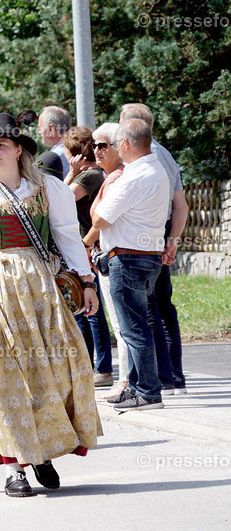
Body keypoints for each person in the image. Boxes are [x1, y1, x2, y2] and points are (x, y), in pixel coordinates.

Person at [0, 112, 101, 497]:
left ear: (18, 150)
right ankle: (14, 466)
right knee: (0, 374)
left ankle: (43, 451)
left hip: (39, 288)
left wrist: (86, 282)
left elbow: (67, 236)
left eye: (1, 145)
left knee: (51, 370)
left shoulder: (48, 188)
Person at [83, 118, 170, 412]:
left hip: (128, 257)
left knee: (133, 329)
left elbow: (100, 218)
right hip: (147, 255)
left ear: (127, 144)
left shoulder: (133, 176)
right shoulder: (156, 169)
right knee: (137, 325)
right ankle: (137, 386)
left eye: (119, 143)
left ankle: (146, 391)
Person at [119, 103, 188, 394]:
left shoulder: (145, 159)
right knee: (162, 308)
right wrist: (172, 241)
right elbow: (181, 205)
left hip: (144, 242)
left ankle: (157, 378)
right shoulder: (167, 156)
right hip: (160, 237)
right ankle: (173, 377)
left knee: (147, 310)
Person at [61, 126, 113, 387]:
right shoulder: (90, 174)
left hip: (87, 248)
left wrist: (71, 172)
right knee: (82, 310)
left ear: (76, 154)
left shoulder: (91, 175)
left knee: (93, 312)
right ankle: (89, 367)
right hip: (80, 247)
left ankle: (103, 369)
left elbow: (60, 198)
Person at [89, 123, 130, 400]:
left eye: (103, 145)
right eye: (94, 145)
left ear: (118, 146)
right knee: (122, 322)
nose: (96, 150)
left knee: (121, 323)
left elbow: (102, 219)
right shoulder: (111, 176)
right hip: (110, 255)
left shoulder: (117, 177)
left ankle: (127, 381)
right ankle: (129, 379)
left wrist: (85, 243)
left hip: (116, 257)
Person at [37, 105, 71, 176]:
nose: (39, 132)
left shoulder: (56, 156)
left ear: (51, 129)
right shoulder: (73, 149)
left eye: (40, 128)